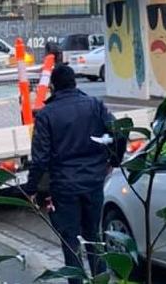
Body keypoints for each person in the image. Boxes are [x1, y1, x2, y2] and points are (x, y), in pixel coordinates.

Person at [25, 65, 126, 284]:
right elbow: (119, 133)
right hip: (94, 181)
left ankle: (77, 281)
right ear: (74, 83)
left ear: (53, 86)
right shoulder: (94, 105)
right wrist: (113, 161)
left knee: (70, 240)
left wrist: (31, 188)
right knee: (94, 237)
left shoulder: (47, 115)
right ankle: (100, 280)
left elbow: (40, 158)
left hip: (64, 186)